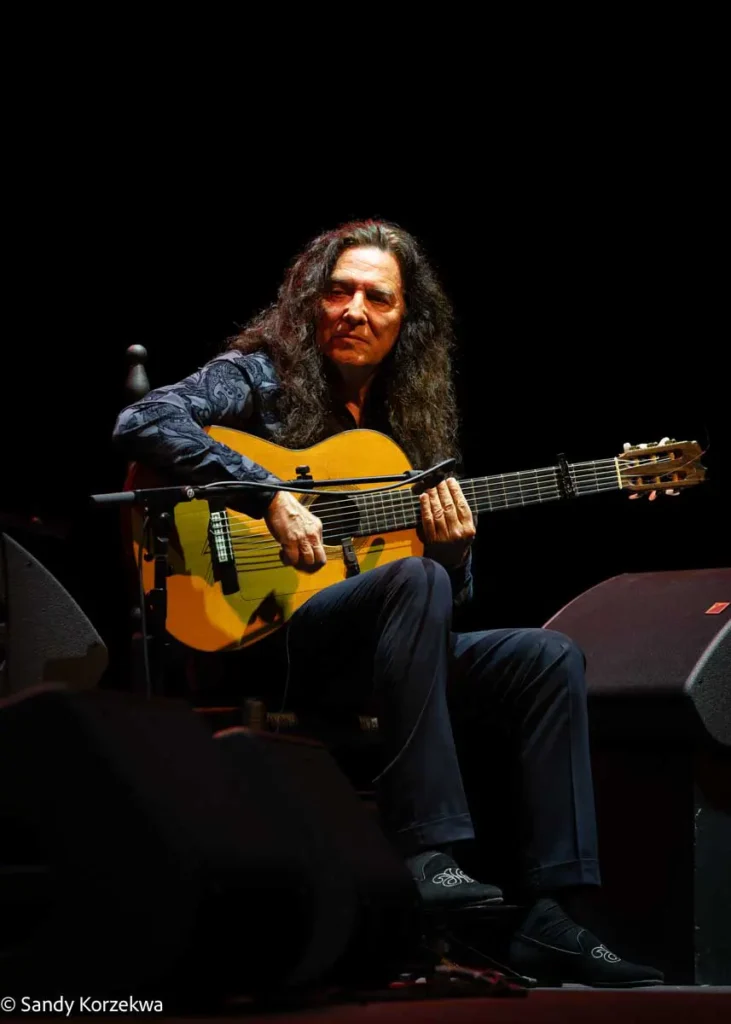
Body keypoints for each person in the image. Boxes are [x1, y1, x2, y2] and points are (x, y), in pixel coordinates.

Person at [113, 219, 663, 987]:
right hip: (265, 642)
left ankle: (551, 911)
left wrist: (452, 553)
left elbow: (441, 595)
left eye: (377, 298)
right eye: (338, 291)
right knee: (415, 583)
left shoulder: (409, 419)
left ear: (406, 318)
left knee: (544, 657)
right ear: (310, 301)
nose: (354, 310)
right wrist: (266, 495)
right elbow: (143, 420)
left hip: (375, 653)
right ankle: (424, 848)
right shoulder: (261, 376)